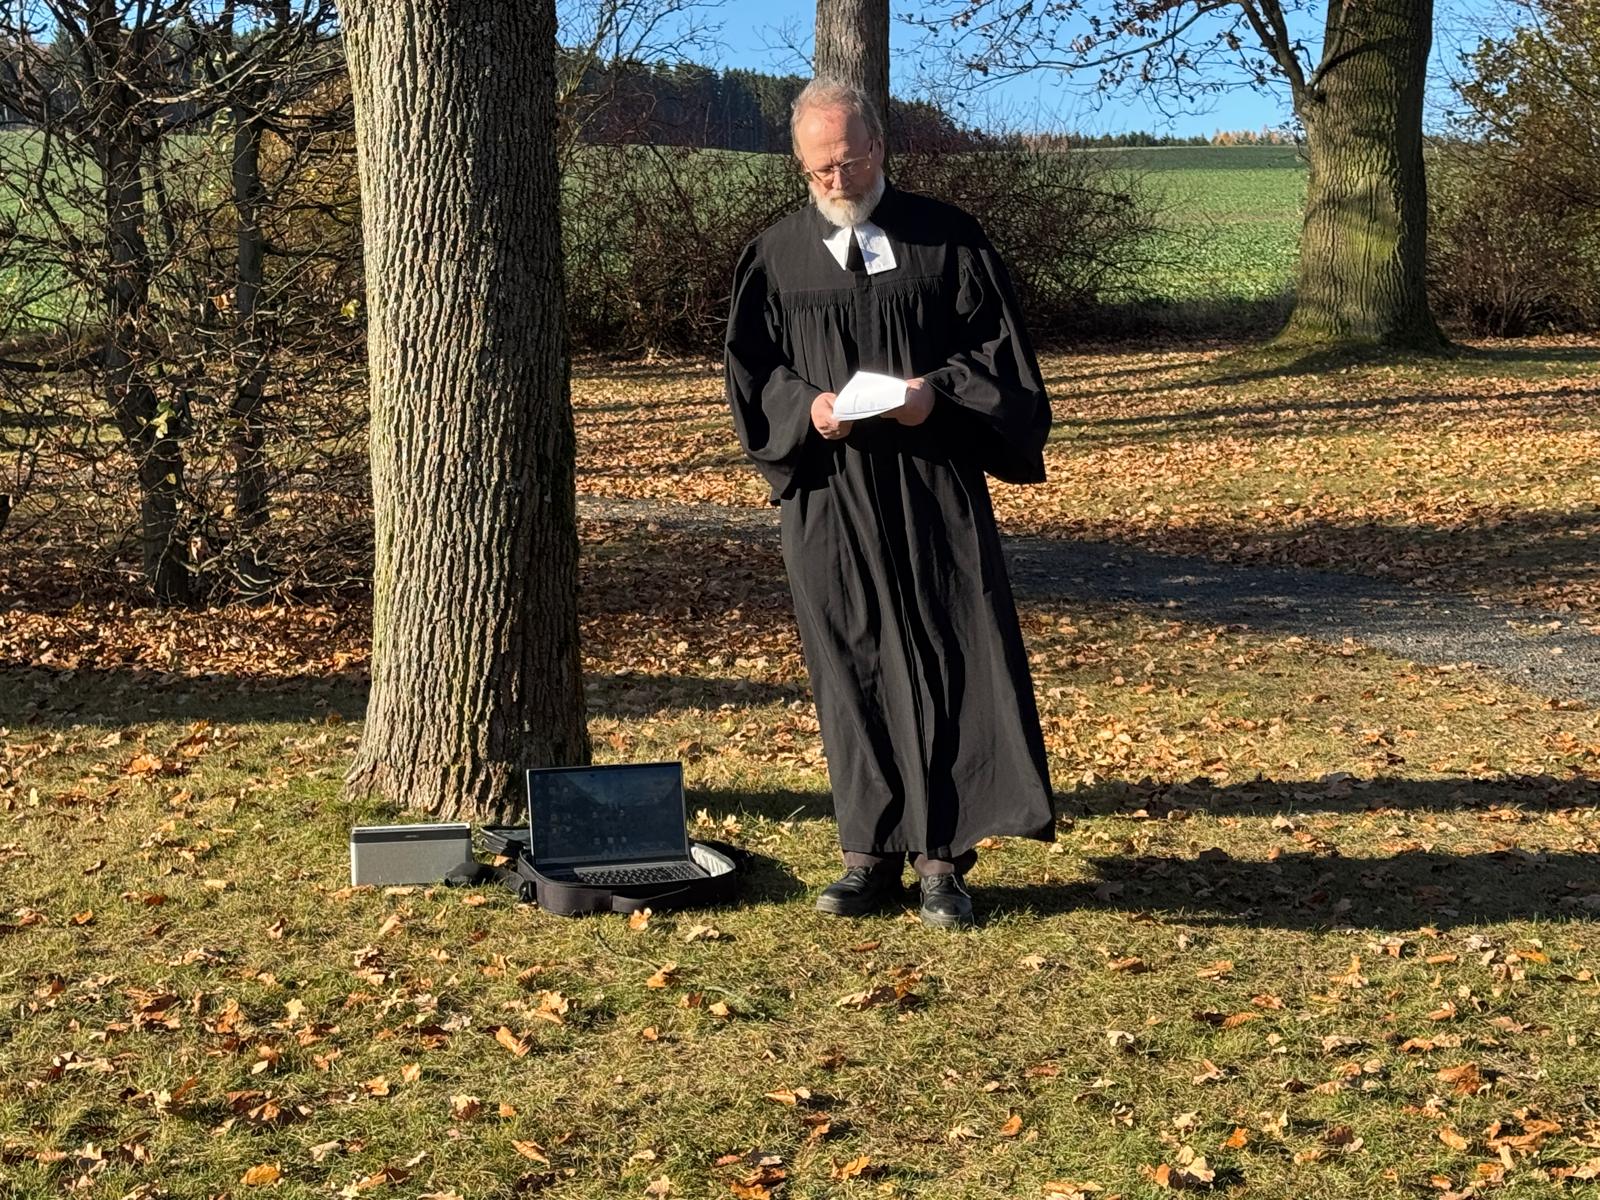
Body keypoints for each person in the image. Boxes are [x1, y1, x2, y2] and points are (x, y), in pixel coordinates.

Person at [723, 78, 1055, 929]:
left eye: (852, 160)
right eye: (821, 168)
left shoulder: (947, 239)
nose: (839, 180)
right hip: (828, 497)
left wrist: (934, 396)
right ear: (800, 164)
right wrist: (808, 409)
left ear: (879, 146)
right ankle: (866, 854)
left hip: (932, 484)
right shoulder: (776, 256)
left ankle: (942, 860)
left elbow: (1001, 355)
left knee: (949, 656)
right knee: (852, 667)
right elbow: (755, 375)